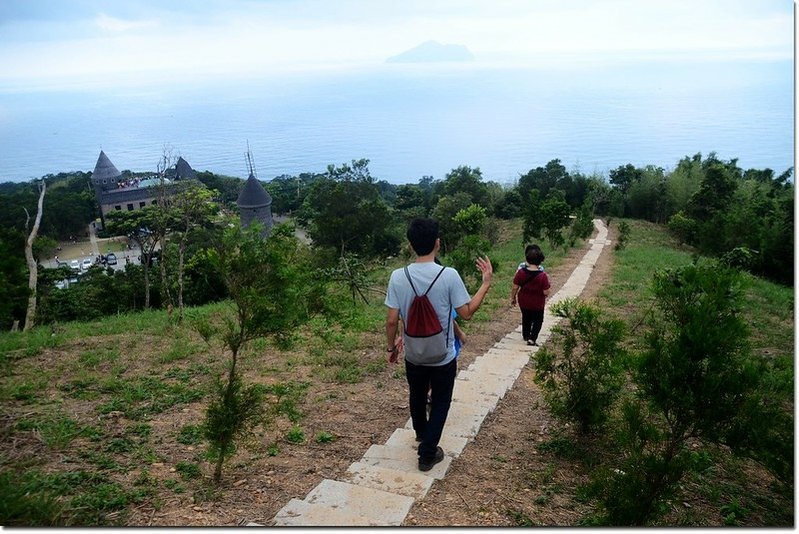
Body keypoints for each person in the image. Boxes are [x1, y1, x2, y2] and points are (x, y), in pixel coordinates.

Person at [385, 218, 492, 472]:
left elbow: (391, 320)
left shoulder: (398, 277)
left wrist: (391, 348)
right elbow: (466, 312)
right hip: (442, 355)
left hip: (414, 354)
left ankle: (422, 434)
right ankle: (427, 453)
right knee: (441, 401)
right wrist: (485, 283)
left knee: (417, 394)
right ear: (438, 244)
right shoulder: (449, 275)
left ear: (410, 245)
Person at [510, 246, 550, 346]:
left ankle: (526, 334)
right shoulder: (542, 276)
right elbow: (546, 292)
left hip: (523, 301)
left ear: (527, 259)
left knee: (526, 317)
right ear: (540, 261)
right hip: (537, 303)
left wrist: (513, 298)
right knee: (538, 320)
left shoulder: (521, 272)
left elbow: (515, 287)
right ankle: (532, 338)